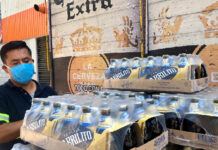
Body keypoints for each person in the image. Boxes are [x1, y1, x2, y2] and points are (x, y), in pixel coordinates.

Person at [0, 41, 57, 150]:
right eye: (15, 63)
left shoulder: (48, 92)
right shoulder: (2, 95)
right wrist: (35, 119)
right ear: (6, 69)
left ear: (32, 62)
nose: (22, 65)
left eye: (26, 61)